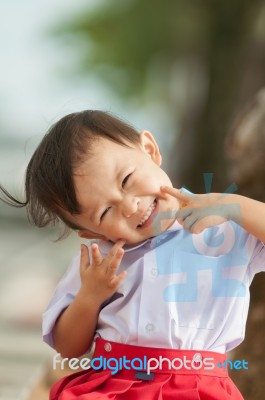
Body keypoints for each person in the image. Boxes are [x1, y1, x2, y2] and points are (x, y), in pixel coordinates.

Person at [1, 110, 265, 400]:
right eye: (104, 212)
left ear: (150, 151)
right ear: (92, 233)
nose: (129, 206)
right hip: (113, 385)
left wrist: (231, 205)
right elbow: (68, 347)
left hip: (199, 388)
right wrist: (90, 297)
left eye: (126, 180)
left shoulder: (223, 228)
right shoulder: (98, 262)